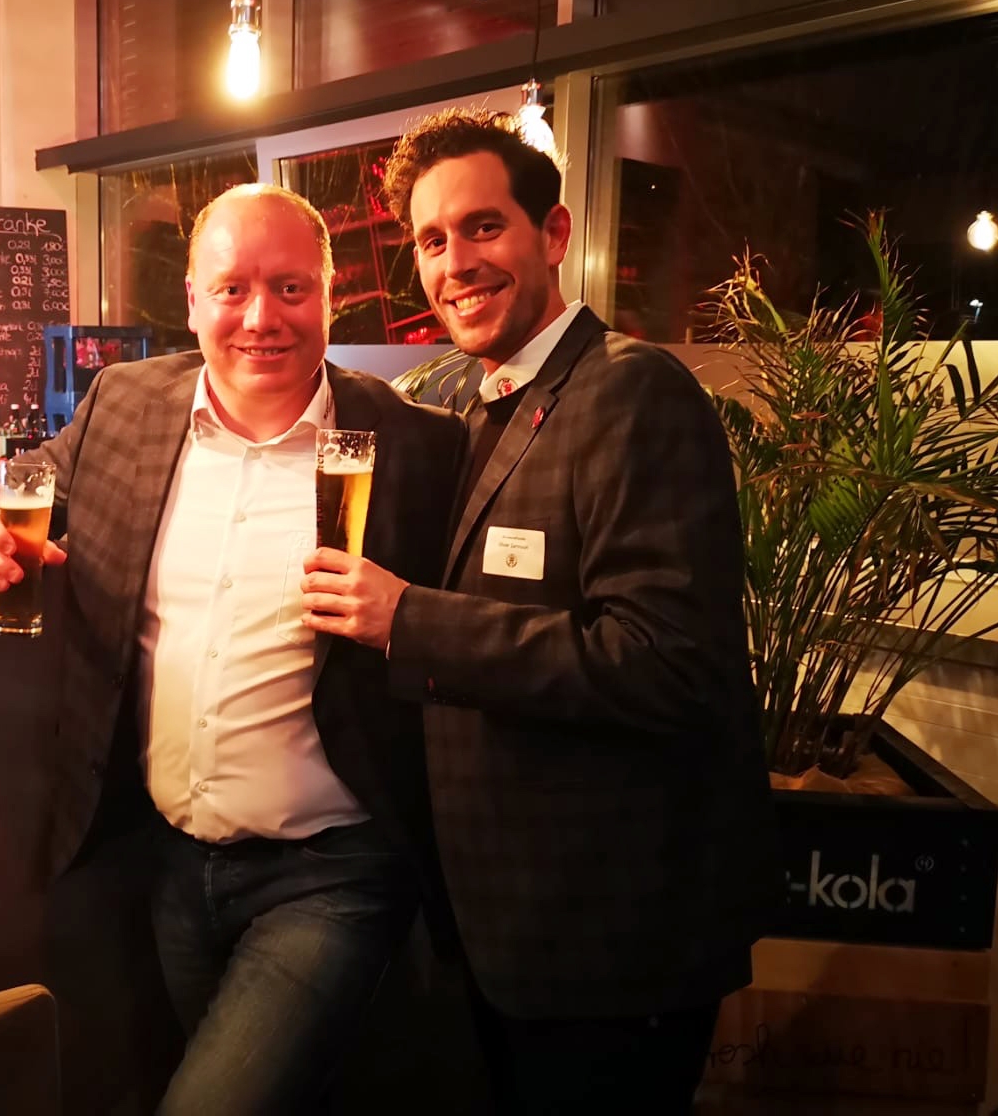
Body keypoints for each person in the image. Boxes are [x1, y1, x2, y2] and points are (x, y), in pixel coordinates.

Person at [301, 109, 779, 1112]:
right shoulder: (479, 407)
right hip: (503, 930)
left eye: (484, 227)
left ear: (552, 234)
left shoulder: (630, 393)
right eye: (432, 240)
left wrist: (409, 621)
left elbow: (663, 662)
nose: (455, 264)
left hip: (610, 943)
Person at [0, 183, 466, 1113]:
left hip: (333, 874)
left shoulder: (418, 443)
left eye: (290, 288)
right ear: (192, 300)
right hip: (169, 865)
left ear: (330, 296)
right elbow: (25, 483)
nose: (261, 317)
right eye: (232, 289)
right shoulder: (124, 404)